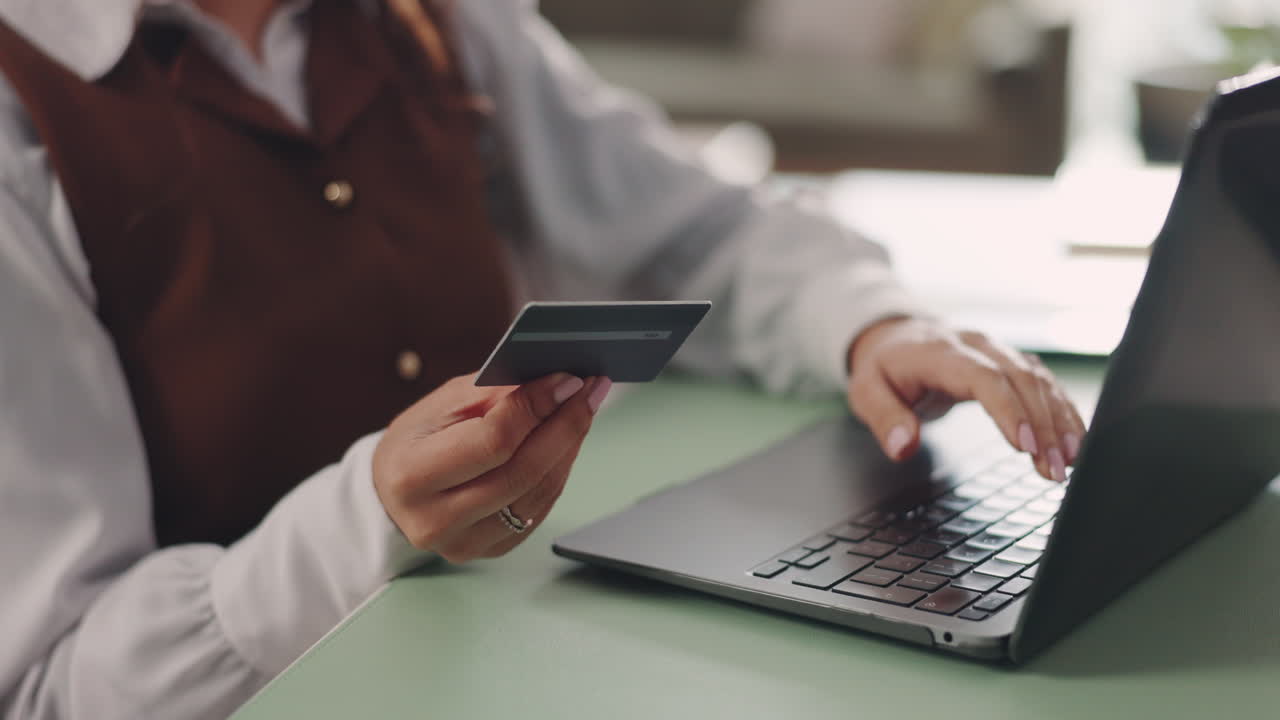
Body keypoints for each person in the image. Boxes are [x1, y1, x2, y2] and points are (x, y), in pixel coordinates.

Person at [0, 0, 1085, 717]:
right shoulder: (23, 113)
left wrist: (873, 324)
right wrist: (364, 518)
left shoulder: (442, 18)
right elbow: (52, 682)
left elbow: (702, 232)